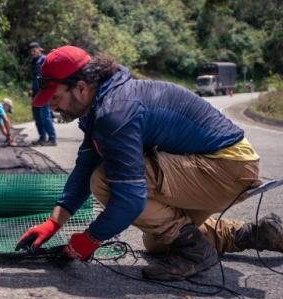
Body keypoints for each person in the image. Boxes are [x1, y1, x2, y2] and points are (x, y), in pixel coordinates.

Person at [15, 46, 283, 281]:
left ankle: (196, 254)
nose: (53, 107)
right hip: (219, 167)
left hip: (225, 168)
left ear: (81, 87)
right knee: (157, 242)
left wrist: (90, 239)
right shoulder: (99, 105)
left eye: (55, 98)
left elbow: (130, 199)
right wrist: (55, 221)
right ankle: (255, 234)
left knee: (106, 180)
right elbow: (86, 162)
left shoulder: (115, 112)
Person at [28, 42, 57, 146]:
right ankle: (42, 138)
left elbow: (50, 75)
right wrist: (32, 89)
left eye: (35, 50)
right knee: (37, 116)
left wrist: (47, 89)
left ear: (40, 49)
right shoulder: (33, 61)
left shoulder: (45, 59)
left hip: (44, 91)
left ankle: (52, 139)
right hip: (35, 92)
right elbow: (35, 77)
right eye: (31, 51)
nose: (33, 53)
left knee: (45, 115)